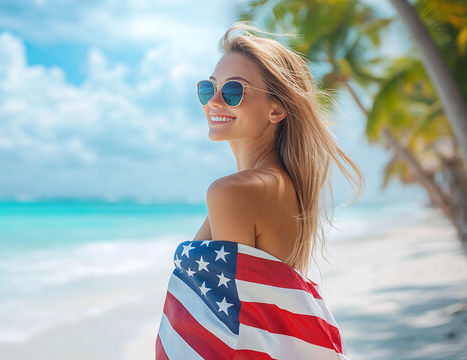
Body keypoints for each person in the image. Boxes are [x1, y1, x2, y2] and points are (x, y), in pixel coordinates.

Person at [156, 21, 364, 359]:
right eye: (209, 89)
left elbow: (228, 331)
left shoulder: (234, 192)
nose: (215, 101)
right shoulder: (282, 185)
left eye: (234, 90)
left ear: (276, 109)